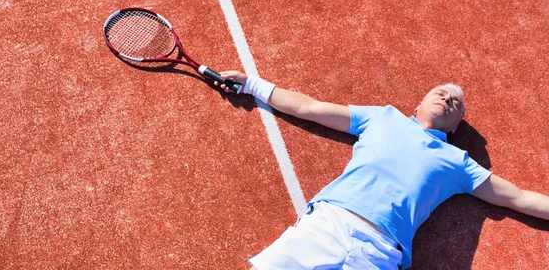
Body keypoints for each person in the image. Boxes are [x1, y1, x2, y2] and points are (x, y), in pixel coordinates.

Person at [215, 71, 549, 270]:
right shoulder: (382, 117)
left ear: (457, 124)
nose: (447, 99)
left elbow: (518, 197)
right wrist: (251, 85)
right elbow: (311, 108)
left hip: (379, 251)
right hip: (330, 224)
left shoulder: (458, 162)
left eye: (455, 103)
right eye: (441, 93)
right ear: (417, 105)